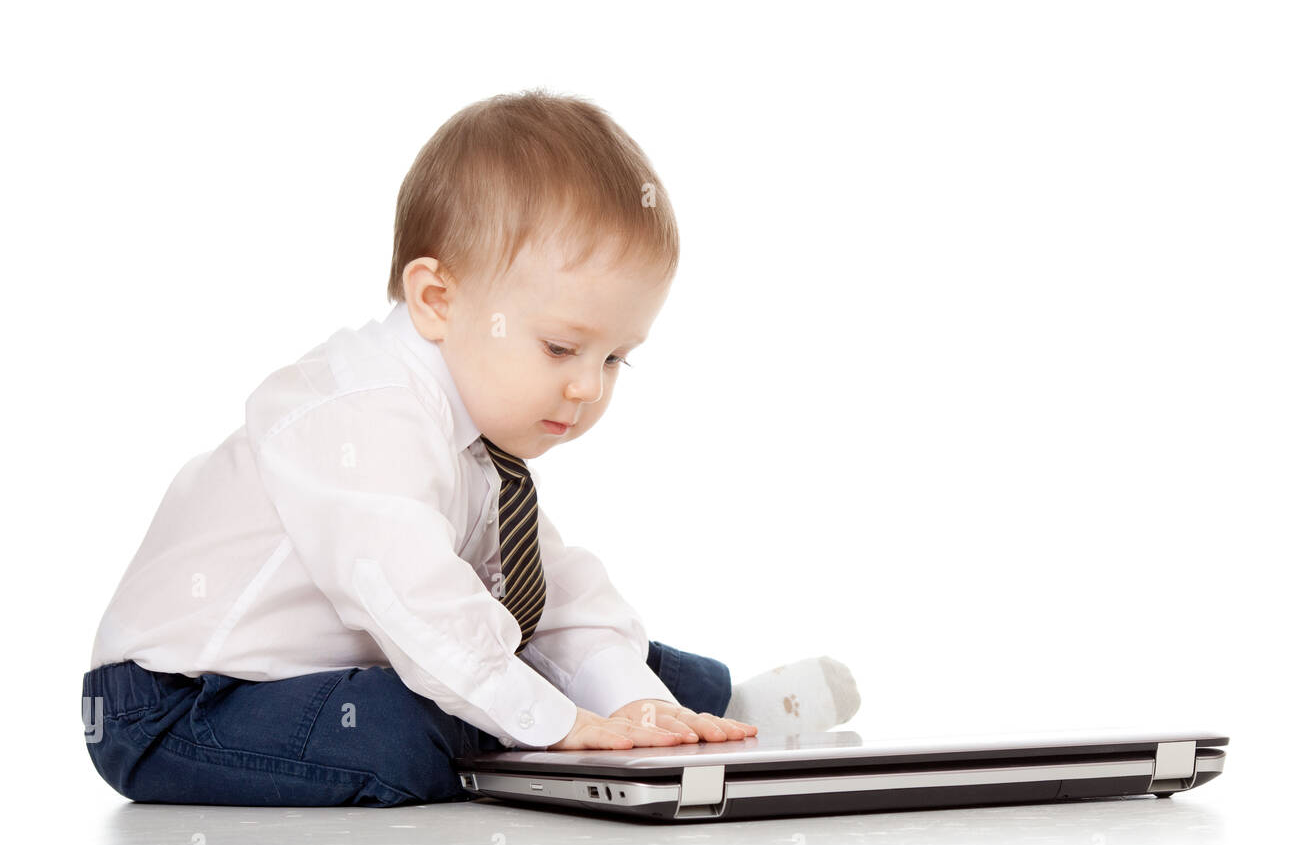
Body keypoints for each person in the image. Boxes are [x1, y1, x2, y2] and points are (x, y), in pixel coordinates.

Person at [82, 88, 860, 808]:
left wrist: (631, 697)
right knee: (407, 721)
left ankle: (708, 715)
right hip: (177, 703)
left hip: (327, 673)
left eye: (617, 358)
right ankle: (579, 738)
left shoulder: (482, 450)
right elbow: (411, 595)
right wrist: (556, 722)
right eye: (561, 348)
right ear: (437, 299)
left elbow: (556, 596)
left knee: (593, 649)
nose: (589, 387)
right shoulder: (359, 414)